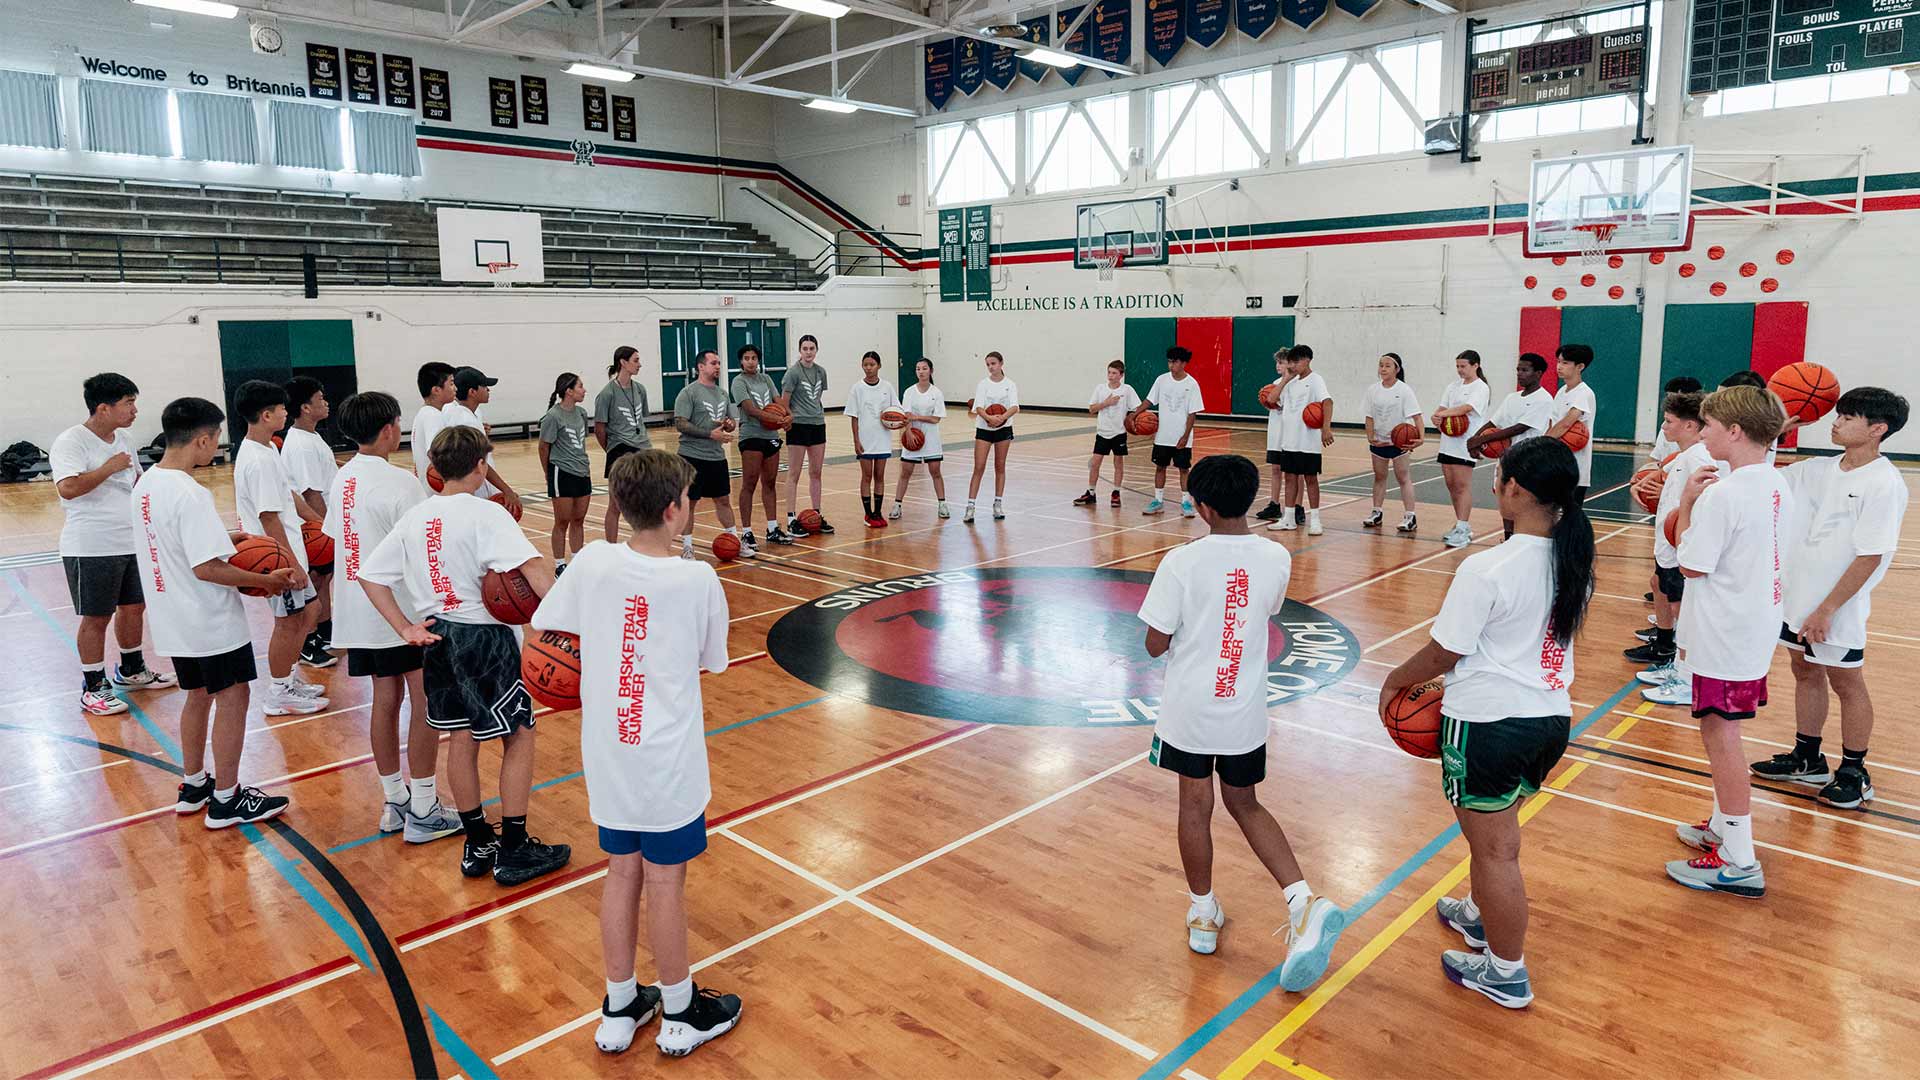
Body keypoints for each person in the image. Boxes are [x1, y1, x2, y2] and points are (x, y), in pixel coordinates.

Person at [530, 449, 743, 1059]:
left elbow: (546, 627)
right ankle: (679, 1011)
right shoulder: (697, 577)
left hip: (609, 754)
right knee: (666, 883)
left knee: (621, 874)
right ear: (677, 511)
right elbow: (713, 660)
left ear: (619, 506)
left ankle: (620, 1004)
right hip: (667, 761)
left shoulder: (593, 561)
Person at [1381, 436, 1593, 1009]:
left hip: (1488, 726)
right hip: (1548, 719)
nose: (1493, 485)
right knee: (1496, 834)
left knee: (1498, 852)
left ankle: (1505, 971)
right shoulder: (1574, 557)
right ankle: (1479, 914)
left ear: (1515, 489)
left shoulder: (1487, 566)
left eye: (1498, 477)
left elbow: (1443, 653)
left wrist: (1394, 682)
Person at [1138, 453, 1345, 991]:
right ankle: (1302, 901)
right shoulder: (1275, 557)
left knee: (1194, 804)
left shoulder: (1180, 563)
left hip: (1190, 710)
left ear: (1203, 507)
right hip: (1245, 707)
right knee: (1245, 803)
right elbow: (1267, 611)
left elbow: (1154, 641)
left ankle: (1203, 913)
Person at [359, 425, 571, 887]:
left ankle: (478, 842)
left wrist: (404, 628)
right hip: (485, 640)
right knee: (519, 736)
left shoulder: (416, 517)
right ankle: (514, 848)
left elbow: (370, 575)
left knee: (461, 738)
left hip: (436, 637)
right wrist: (566, 626)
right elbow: (534, 569)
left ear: (435, 468)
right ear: (480, 466)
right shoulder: (487, 514)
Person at [131, 397, 298, 827]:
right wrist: (269, 582)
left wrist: (222, 534)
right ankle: (227, 798)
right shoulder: (190, 492)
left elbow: (172, 540)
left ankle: (194, 785)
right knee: (233, 695)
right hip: (209, 621)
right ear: (202, 439)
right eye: (216, 439)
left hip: (173, 618)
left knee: (197, 695)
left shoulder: (146, 484)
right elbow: (206, 568)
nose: (216, 447)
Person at [1654, 385, 1791, 898]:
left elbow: (1690, 562)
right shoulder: (1775, 484)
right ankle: (1722, 827)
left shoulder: (1724, 493)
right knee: (1723, 732)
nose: (1703, 432)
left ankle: (1738, 859)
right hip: (1751, 623)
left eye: (1708, 426)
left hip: (1725, 631)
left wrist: (1688, 501)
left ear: (1734, 431)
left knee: (1721, 737)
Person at [1751, 387, 1910, 810]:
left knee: (1846, 681)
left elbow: (1870, 555)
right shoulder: (1818, 468)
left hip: (1838, 605)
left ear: (1877, 429)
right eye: (1838, 414)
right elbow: (1761, 475)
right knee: (1803, 669)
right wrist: (1774, 433)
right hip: (1798, 597)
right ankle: (1808, 756)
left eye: (1849, 417)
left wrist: (1827, 609)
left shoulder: (1883, 482)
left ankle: (1855, 771)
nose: (1835, 422)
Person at [324, 391, 460, 842]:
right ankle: (424, 805)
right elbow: (426, 548)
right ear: (388, 429)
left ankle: (394, 801)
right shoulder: (400, 483)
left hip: (358, 610)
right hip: (400, 610)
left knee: (385, 701)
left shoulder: (342, 480)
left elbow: (335, 537)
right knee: (424, 701)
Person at [52, 372, 174, 715]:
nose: (134, 410)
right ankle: (92, 686)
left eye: (134, 402)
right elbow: (69, 488)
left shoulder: (125, 438)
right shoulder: (71, 442)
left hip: (130, 540)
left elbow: (135, 481)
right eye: (128, 403)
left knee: (134, 607)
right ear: (103, 408)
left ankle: (132, 669)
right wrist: (108, 468)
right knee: (96, 617)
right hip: (90, 545)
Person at [231, 380, 328, 717]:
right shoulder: (256, 459)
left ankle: (288, 678)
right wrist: (292, 564)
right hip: (277, 557)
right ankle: (278, 692)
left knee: (309, 612)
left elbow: (289, 497)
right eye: (282, 408)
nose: (287, 412)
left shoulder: (270, 448)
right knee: (288, 622)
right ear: (266, 414)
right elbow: (269, 517)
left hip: (291, 548)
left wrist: (320, 524)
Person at [1626, 392, 1717, 684]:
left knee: (1684, 611)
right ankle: (1670, 653)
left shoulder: (1700, 457)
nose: (1663, 428)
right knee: (1664, 591)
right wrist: (1643, 484)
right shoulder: (1685, 455)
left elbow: (1709, 496)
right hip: (1667, 543)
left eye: (1668, 422)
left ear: (1691, 426)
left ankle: (1687, 673)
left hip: (1681, 544)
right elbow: (1657, 473)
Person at [280, 376, 340, 669]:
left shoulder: (312, 437)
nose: (325, 402)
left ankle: (326, 631)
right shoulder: (301, 444)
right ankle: (308, 641)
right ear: (305, 407)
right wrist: (327, 530)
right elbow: (310, 492)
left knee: (324, 580)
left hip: (321, 521)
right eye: (320, 398)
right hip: (313, 525)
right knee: (314, 583)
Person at [1469, 354, 1554, 539]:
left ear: (1538, 373)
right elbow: (1493, 422)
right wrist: (1475, 438)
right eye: (1518, 369)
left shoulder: (1544, 399)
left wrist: (1481, 441)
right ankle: (1508, 538)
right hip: (1506, 458)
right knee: (1505, 502)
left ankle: (1525, 538)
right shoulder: (1511, 398)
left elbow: (1519, 427)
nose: (1520, 374)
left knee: (1524, 503)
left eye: (1525, 370)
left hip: (1529, 460)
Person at [673, 350, 743, 559]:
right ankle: (687, 547)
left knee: (723, 500)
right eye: (713, 363)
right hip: (691, 457)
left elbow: (728, 423)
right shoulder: (688, 393)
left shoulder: (722, 393)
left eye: (719, 363)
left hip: (716, 457)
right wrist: (708, 434)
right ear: (701, 367)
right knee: (690, 502)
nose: (718, 367)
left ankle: (735, 540)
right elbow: (680, 423)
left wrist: (729, 425)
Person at [1263, 345, 1333, 535]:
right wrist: (1286, 379)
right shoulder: (1289, 382)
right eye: (1291, 362)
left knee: (1311, 479)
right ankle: (1288, 518)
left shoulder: (1315, 380)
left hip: (1308, 440)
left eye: (1297, 361)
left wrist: (1326, 428)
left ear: (1307, 360)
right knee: (1289, 478)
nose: (1293, 365)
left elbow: (1327, 402)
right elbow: (1271, 399)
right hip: (1289, 440)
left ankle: (1316, 520)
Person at [730, 344, 790, 550]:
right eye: (746, 358)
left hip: (771, 436)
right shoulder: (738, 381)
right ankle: (746, 532)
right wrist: (777, 417)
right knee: (749, 483)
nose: (750, 361)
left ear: (758, 360)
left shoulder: (766, 379)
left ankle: (772, 529)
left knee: (771, 482)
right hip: (751, 435)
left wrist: (788, 415)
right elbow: (751, 409)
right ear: (741, 361)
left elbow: (779, 402)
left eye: (754, 358)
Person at [441, 367, 522, 518]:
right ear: (472, 392)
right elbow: (479, 460)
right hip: (474, 490)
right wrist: (506, 490)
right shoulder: (465, 419)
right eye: (485, 386)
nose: (488, 390)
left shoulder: (459, 413)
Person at [1431, 350, 1491, 548]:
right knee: (1451, 486)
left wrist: (1445, 413)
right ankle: (1460, 524)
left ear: (1476, 365)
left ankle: (1464, 529)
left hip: (1466, 444)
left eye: (1463, 366)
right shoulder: (1453, 386)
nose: (1460, 370)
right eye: (1457, 366)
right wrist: (1436, 416)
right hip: (1448, 442)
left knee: (1462, 486)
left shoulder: (1481, 388)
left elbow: (1466, 408)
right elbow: (1442, 407)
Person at [594, 345, 652, 544]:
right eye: (635, 360)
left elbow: (641, 420)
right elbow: (600, 428)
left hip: (642, 448)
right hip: (619, 448)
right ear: (623, 363)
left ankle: (645, 543)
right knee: (616, 505)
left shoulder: (640, 389)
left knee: (645, 501)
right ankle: (611, 547)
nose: (639, 364)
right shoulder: (607, 394)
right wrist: (612, 450)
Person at [1139, 346, 1205, 518]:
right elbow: (1149, 400)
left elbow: (1192, 413)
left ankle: (1186, 502)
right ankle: (1158, 501)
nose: (1171, 365)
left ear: (1183, 363)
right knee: (1160, 467)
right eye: (1169, 361)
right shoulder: (1161, 380)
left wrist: (1185, 436)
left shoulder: (1192, 384)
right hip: (1162, 435)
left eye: (1174, 362)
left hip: (1181, 437)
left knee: (1183, 469)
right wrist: (1135, 413)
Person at [540, 372, 595, 573]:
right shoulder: (553, 417)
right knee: (562, 521)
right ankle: (559, 565)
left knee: (579, 519)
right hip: (561, 472)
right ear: (569, 391)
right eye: (580, 386)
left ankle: (577, 560)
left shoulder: (581, 413)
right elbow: (543, 447)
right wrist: (548, 474)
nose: (584, 390)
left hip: (582, 470)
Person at [1362, 353, 1422, 533]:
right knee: (1379, 478)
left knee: (1403, 478)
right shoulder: (1372, 390)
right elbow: (1369, 416)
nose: (1383, 368)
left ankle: (1410, 516)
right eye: (1381, 365)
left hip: (1399, 442)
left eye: (1387, 365)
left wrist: (1421, 437)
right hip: (1379, 442)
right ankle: (1377, 512)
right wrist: (1370, 436)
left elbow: (1417, 416)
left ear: (1397, 369)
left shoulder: (1404, 390)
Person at [781, 334, 834, 536]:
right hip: (798, 426)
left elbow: (817, 398)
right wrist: (793, 417)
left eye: (812, 348)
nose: (809, 352)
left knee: (816, 472)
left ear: (816, 350)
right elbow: (785, 402)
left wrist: (813, 413)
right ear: (800, 350)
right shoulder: (792, 373)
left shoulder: (821, 372)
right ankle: (791, 519)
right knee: (794, 473)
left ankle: (816, 515)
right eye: (805, 348)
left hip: (818, 424)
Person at [965, 350, 1019, 523]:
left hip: (1004, 429)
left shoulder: (1010, 384)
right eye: (988, 364)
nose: (990, 367)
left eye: (993, 363)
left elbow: (1014, 406)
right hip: (984, 428)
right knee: (978, 467)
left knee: (1000, 466)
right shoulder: (983, 384)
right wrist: (989, 418)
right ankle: (970, 507)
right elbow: (979, 407)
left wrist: (1001, 418)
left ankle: (997, 504)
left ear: (1001, 363)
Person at [847, 350, 899, 529]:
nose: (868, 368)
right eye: (865, 365)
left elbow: (897, 411)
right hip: (865, 439)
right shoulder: (857, 388)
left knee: (880, 476)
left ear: (879, 366)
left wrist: (897, 422)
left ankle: (878, 512)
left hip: (883, 438)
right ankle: (868, 513)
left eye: (872, 365)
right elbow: (854, 417)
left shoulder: (887, 387)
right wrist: (856, 440)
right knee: (867, 476)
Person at [893, 358, 950, 520]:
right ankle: (897, 505)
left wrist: (918, 417)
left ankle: (942, 504)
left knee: (935, 471)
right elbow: (906, 416)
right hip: (912, 437)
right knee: (905, 472)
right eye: (918, 369)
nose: (921, 371)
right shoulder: (909, 392)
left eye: (924, 368)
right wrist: (909, 432)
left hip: (931, 438)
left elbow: (936, 419)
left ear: (931, 371)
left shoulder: (936, 393)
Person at [1078, 359, 1139, 508]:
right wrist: (1107, 403)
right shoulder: (1100, 389)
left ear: (1121, 375)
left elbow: (1137, 408)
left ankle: (1116, 493)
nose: (1110, 376)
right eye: (1109, 372)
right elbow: (1092, 409)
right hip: (1103, 432)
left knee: (1118, 463)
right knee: (1095, 463)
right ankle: (1091, 492)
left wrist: (1133, 420)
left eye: (1114, 373)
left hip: (1119, 432)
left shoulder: (1127, 390)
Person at [1545, 344, 1597, 502]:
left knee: (1570, 517)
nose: (1559, 367)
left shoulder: (1584, 393)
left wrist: (1541, 444)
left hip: (1576, 466)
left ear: (1580, 366)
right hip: (1558, 463)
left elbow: (1566, 424)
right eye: (1558, 361)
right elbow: (1552, 423)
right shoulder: (1561, 392)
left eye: (1565, 363)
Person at [411, 362, 456, 488]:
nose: (455, 388)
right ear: (436, 390)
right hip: (437, 492)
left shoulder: (423, 413)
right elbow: (435, 452)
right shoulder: (432, 416)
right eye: (451, 384)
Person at [1648, 376, 1703, 467]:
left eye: (1669, 396)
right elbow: (1655, 457)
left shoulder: (1701, 455)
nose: (1668, 400)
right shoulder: (1666, 428)